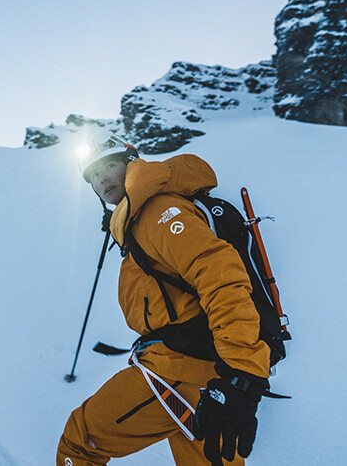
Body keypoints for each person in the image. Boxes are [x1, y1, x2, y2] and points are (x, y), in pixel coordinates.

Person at [57, 134, 272, 466]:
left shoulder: (157, 210)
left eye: (109, 166)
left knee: (79, 441)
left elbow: (221, 275)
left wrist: (240, 375)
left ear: (131, 164)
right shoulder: (143, 213)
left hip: (177, 371)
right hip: (202, 374)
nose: (100, 179)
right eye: (92, 176)